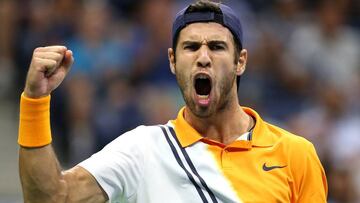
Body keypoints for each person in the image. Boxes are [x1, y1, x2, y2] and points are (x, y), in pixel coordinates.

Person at [18, 1, 327, 202]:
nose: (203, 57)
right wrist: (35, 101)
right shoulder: (141, 150)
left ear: (240, 61)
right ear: (172, 61)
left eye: (217, 47)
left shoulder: (295, 154)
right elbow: (50, 198)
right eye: (191, 47)